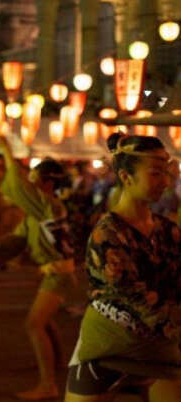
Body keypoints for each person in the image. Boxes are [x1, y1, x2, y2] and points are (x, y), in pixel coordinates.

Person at [65, 134, 180, 402]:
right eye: (155, 173)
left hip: (159, 349)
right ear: (126, 177)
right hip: (109, 346)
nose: (164, 182)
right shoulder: (108, 234)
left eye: (166, 172)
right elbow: (135, 299)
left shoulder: (168, 230)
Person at [0, 135, 76, 400]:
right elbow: (13, 239)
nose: (30, 183)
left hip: (58, 274)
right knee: (45, 323)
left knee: (34, 324)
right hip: (55, 273)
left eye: (35, 178)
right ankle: (57, 365)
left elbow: (19, 187)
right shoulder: (37, 213)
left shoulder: (50, 206)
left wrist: (5, 147)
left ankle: (48, 384)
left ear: (48, 183)